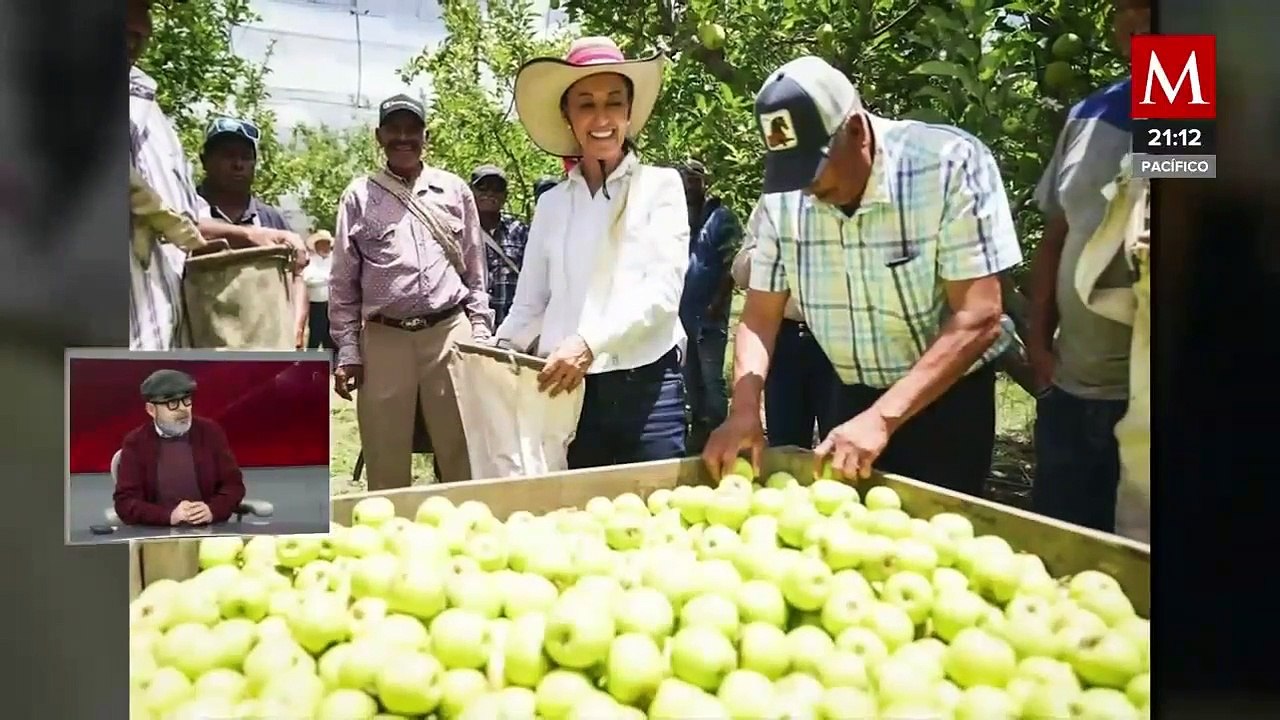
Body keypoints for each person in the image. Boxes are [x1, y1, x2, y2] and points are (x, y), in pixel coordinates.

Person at [703, 56, 1022, 499]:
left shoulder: (947, 165)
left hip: (946, 401)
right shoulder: (786, 200)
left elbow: (979, 316)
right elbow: (759, 317)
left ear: (855, 130)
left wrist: (884, 417)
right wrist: (743, 407)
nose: (807, 189)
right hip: (849, 394)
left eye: (813, 171)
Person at [495, 36, 689, 469]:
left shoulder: (660, 188)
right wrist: (492, 355)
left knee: (657, 516)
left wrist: (589, 342)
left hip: (648, 387)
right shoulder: (552, 204)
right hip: (570, 392)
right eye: (585, 104)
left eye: (613, 103)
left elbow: (662, 294)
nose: (601, 118)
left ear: (628, 112)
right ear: (567, 116)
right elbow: (530, 303)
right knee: (580, 519)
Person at [1027, 0, 1150, 532]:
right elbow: (1057, 235)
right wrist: (1036, 344)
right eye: (1128, 5)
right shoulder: (1089, 114)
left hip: (1143, 402)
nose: (1137, 18)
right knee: (1060, 548)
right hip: (1073, 390)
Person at [330, 93, 492, 489]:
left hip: (449, 332)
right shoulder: (358, 196)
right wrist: (348, 351)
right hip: (385, 337)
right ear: (379, 135)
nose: (403, 138)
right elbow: (342, 282)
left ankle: (468, 533)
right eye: (394, 129)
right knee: (385, 455)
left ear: (426, 135)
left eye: (412, 130)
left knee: (463, 448)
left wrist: (482, 333)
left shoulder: (454, 191)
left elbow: (475, 269)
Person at [127, 0, 305, 351]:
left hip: (169, 340)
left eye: (146, 10)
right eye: (227, 156)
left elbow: (182, 218)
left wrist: (255, 236)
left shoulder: (150, 109)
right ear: (205, 159)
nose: (141, 27)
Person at [197, 116, 309, 348]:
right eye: (228, 155)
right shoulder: (187, 209)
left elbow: (296, 277)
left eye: (245, 157)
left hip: (263, 348)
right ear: (204, 160)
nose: (238, 164)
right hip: (199, 348)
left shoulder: (269, 218)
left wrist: (296, 327)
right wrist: (249, 236)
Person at [730, 239, 833, 448]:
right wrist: (773, 255)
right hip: (784, 335)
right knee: (784, 442)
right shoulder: (774, 209)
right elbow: (740, 272)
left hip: (833, 336)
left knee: (840, 440)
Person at [112, 369, 246, 527]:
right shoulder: (136, 443)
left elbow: (233, 486)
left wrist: (212, 510)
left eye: (186, 400)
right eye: (172, 403)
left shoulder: (210, 432)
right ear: (151, 410)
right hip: (158, 532)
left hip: (209, 530)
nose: (183, 409)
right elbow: (125, 503)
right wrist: (169, 515)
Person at [678, 159, 741, 452]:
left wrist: (717, 304)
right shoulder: (679, 218)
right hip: (683, 315)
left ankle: (720, 432)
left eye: (695, 179)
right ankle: (700, 435)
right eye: (685, 179)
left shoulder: (721, 218)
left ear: (705, 183)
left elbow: (732, 266)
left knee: (711, 378)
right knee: (690, 377)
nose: (689, 185)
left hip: (709, 316)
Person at [471, 165, 529, 328]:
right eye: (482, 188)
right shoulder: (459, 231)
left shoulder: (520, 231)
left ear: (505, 196)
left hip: (512, 325)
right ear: (470, 193)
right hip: (472, 325)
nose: (489, 193)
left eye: (497, 189)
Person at [302, 230, 335, 350]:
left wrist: (324, 278)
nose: (324, 246)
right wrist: (328, 278)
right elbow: (308, 279)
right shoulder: (311, 260)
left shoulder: (335, 259)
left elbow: (339, 277)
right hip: (316, 304)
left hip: (333, 304)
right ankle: (311, 364)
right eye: (320, 243)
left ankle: (331, 364)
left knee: (331, 337)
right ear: (316, 246)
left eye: (326, 243)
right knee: (315, 336)